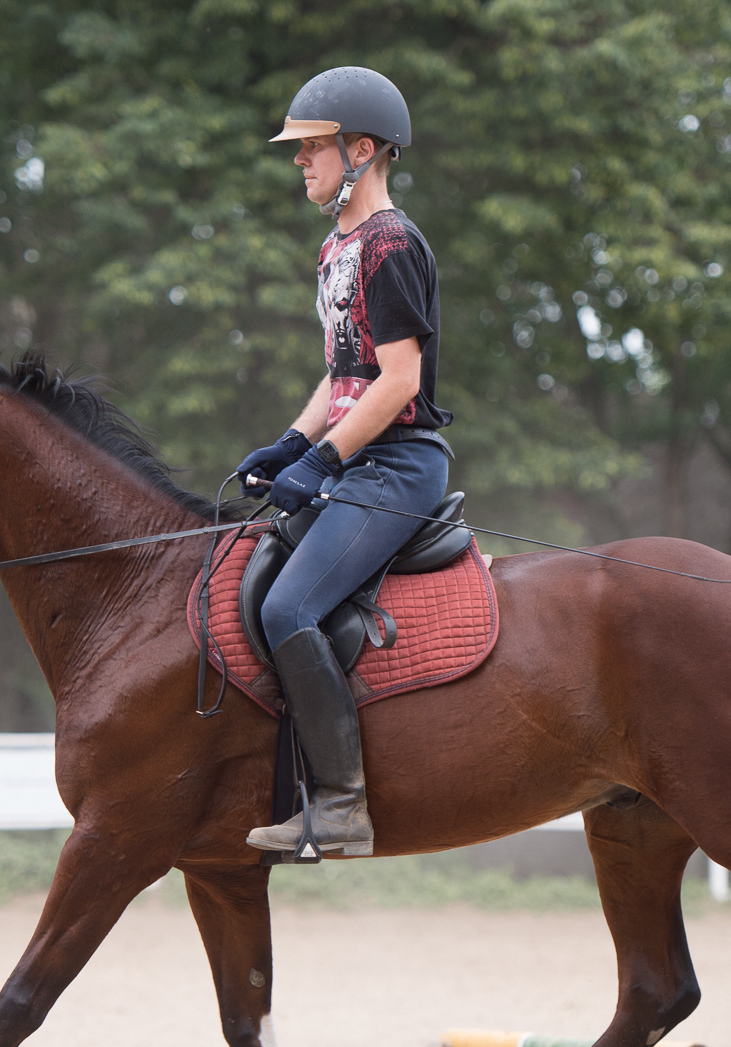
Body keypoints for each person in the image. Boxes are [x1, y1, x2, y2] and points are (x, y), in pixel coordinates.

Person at [237, 67, 453, 859]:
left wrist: (324, 456)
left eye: (312, 148)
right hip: (355, 458)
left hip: (396, 467)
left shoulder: (390, 244)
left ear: (360, 151)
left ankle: (342, 806)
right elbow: (343, 372)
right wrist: (294, 444)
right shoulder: (338, 245)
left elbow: (400, 380)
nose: (300, 161)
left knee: (287, 609)